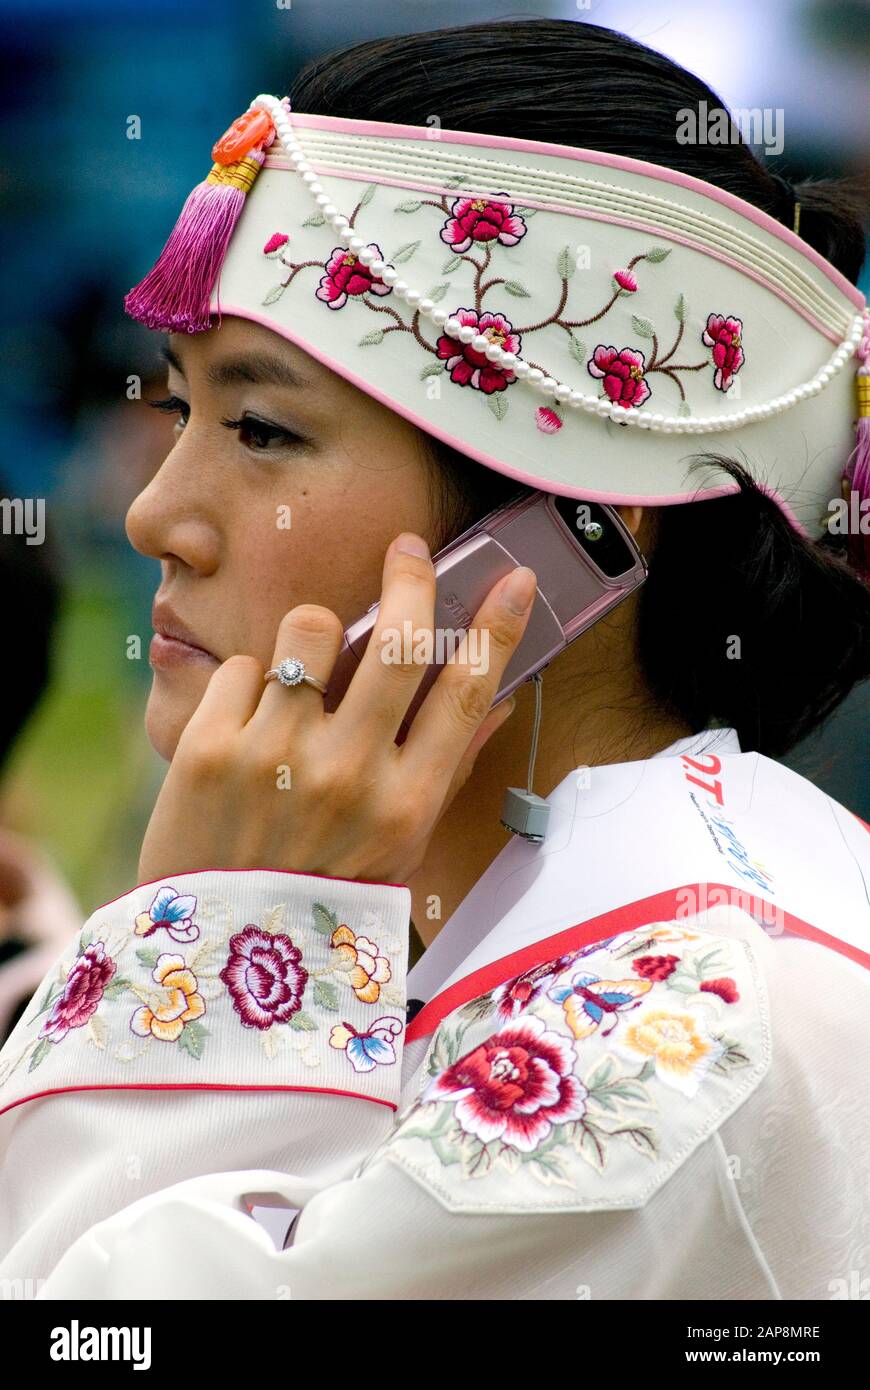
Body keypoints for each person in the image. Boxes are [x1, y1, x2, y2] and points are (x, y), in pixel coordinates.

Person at [1, 18, 869, 1300]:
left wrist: (220, 942)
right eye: (180, 408)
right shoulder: (514, 922)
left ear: (571, 532)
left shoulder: (681, 1036)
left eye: (260, 427)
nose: (155, 518)